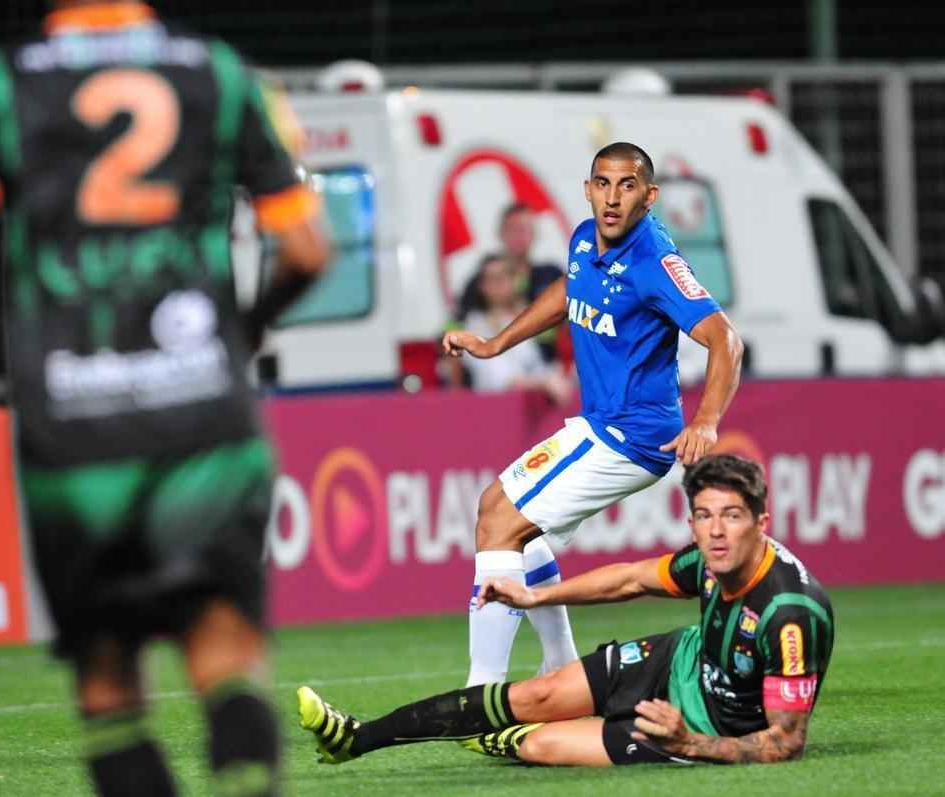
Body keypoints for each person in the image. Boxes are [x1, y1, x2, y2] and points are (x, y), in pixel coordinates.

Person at [0, 2, 331, 795]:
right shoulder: (222, 72)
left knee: (107, 680)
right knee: (224, 645)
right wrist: (239, 333)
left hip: (71, 425)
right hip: (202, 412)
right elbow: (308, 251)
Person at [296, 454, 834, 767]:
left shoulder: (789, 615)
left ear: (762, 522)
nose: (716, 531)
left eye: (732, 516)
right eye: (703, 516)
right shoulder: (710, 559)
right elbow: (627, 580)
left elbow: (786, 742)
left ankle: (516, 732)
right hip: (676, 661)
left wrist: (689, 740)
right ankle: (357, 738)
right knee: (537, 694)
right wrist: (535, 596)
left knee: (540, 745)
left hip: (703, 724)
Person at [441, 142, 744, 686]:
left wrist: (706, 421)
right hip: (602, 426)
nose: (612, 197)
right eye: (602, 183)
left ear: (648, 197)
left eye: (626, 186)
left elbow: (725, 340)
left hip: (632, 436)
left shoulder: (656, 263)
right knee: (513, 526)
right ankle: (558, 660)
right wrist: (494, 344)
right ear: (587, 189)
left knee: (496, 519)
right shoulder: (585, 238)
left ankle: (479, 692)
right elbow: (567, 291)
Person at [453, 202, 566, 361]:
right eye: (512, 229)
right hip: (502, 370)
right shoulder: (481, 279)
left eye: (524, 229)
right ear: (501, 233)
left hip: (552, 367)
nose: (518, 235)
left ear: (534, 234)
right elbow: (457, 325)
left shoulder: (551, 275)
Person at [456, 253, 573, 403]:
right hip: (493, 410)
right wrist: (545, 382)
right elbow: (501, 378)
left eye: (503, 276)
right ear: (482, 286)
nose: (498, 283)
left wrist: (555, 378)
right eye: (492, 278)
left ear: (515, 281)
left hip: (532, 410)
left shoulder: (526, 318)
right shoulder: (473, 326)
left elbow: (539, 366)